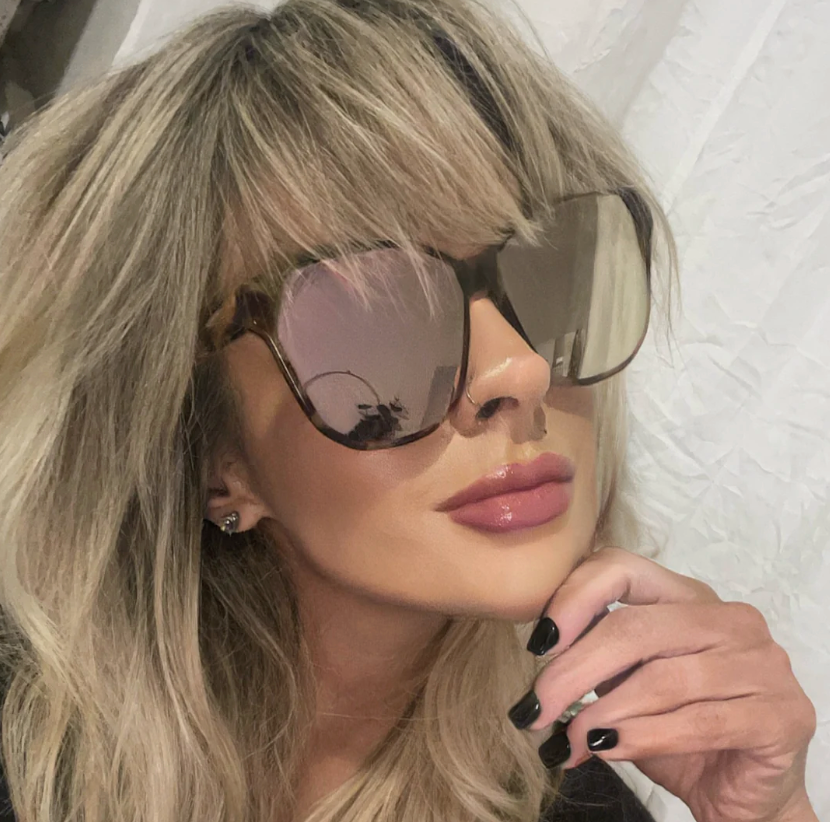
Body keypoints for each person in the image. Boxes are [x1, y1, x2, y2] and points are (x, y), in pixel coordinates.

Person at [0, 1, 818, 821]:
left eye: (555, 272)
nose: (521, 370)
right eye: (376, 317)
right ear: (215, 453)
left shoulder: (567, 797)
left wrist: (769, 812)